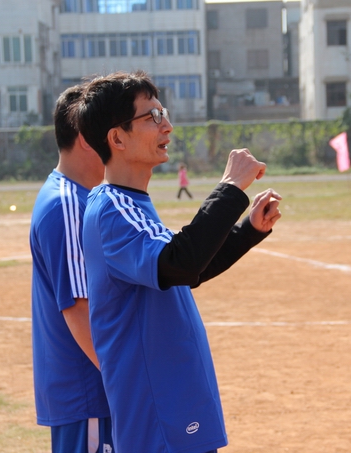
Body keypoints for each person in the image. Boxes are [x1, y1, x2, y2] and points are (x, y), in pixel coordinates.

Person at [72, 71, 282, 453]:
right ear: (117, 138)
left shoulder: (132, 204)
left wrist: (248, 230)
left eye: (163, 113)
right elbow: (180, 262)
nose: (166, 125)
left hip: (174, 410)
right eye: (152, 116)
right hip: (159, 418)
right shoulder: (113, 209)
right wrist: (229, 187)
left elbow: (188, 270)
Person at [29, 83, 114, 453]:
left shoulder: (82, 197)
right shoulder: (66, 204)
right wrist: (126, 380)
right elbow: (78, 309)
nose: (117, 140)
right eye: (110, 130)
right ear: (85, 136)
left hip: (93, 393)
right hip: (89, 393)